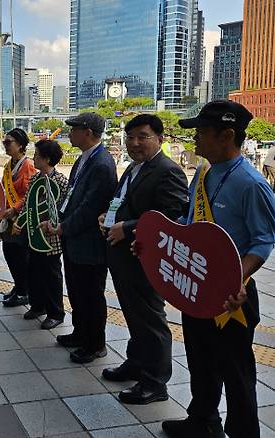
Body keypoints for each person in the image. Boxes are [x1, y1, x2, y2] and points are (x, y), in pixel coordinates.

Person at [160, 101, 275, 438]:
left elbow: (263, 241)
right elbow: (189, 223)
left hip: (232, 298)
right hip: (197, 288)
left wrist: (236, 277)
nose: (194, 139)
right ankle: (203, 421)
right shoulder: (204, 172)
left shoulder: (251, 184)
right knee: (199, 360)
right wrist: (157, 242)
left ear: (227, 135)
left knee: (237, 373)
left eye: (201, 133)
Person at [99, 114, 188, 404]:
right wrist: (111, 217)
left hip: (145, 258)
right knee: (133, 314)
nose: (134, 143)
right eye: (130, 137)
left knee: (150, 319)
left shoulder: (167, 171)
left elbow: (173, 215)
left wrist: (127, 227)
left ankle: (154, 382)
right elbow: (124, 202)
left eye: (142, 136)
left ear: (160, 139)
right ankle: (135, 363)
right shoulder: (134, 167)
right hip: (123, 256)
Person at [53, 113, 118, 363]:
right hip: (75, 240)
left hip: (89, 242)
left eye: (74, 129)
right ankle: (80, 333)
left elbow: (91, 207)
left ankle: (95, 344)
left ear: (88, 132)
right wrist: (60, 221)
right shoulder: (84, 159)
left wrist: (64, 228)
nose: (70, 133)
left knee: (91, 294)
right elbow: (72, 198)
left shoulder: (102, 163)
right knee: (77, 291)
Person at [13, 139, 69, 329]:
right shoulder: (35, 179)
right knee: (33, 270)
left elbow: (63, 209)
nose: (34, 158)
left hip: (51, 236)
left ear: (46, 158)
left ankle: (56, 313)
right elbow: (27, 205)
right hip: (33, 235)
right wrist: (19, 223)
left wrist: (55, 224)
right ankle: (38, 306)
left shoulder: (61, 181)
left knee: (51, 274)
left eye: (37, 155)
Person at [0, 128, 37, 307]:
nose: (5, 146)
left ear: (21, 145)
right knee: (10, 254)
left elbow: (29, 194)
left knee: (20, 257)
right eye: (4, 142)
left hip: (20, 220)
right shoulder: (8, 165)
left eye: (9, 142)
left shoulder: (28, 165)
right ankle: (18, 285)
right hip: (7, 217)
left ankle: (24, 290)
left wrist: (14, 210)